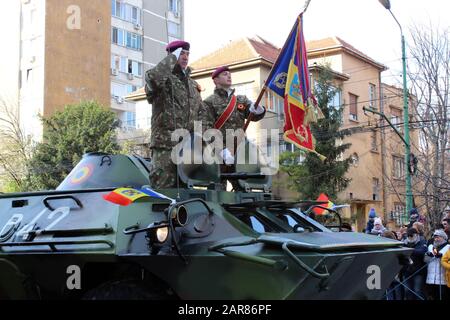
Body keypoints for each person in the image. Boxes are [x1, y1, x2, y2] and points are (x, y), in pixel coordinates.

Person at [144, 40, 207, 188]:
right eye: (181, 54)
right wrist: (171, 59)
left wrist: (199, 143)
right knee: (163, 190)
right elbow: (152, 79)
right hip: (165, 146)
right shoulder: (163, 79)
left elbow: (201, 114)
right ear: (171, 56)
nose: (185, 57)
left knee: (185, 192)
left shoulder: (193, 85)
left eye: (187, 54)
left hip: (187, 149)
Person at [203, 66, 266, 165]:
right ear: (216, 80)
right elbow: (206, 129)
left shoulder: (241, 99)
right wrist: (222, 150)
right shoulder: (209, 102)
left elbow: (252, 115)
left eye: (229, 74)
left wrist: (259, 110)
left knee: (245, 179)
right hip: (218, 153)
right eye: (224, 74)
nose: (229, 76)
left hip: (240, 150)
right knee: (218, 180)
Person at [402, 228, 427, 300]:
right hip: (407, 271)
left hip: (419, 271)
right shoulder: (404, 242)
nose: (410, 237)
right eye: (408, 236)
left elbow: (422, 251)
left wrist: (410, 250)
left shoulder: (421, 241)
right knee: (407, 290)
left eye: (411, 235)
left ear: (416, 235)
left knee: (417, 290)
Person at [424, 229, 450, 300]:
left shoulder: (448, 247)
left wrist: (442, 256)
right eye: (435, 237)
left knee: (442, 296)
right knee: (431, 297)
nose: (436, 239)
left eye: (438, 237)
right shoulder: (430, 247)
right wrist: (427, 255)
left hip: (443, 278)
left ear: (444, 238)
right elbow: (426, 261)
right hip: (431, 278)